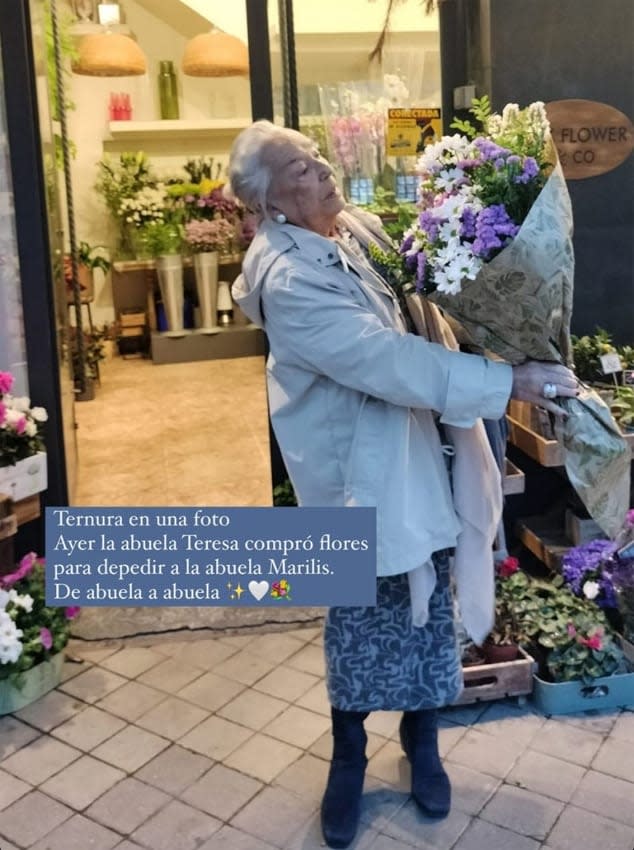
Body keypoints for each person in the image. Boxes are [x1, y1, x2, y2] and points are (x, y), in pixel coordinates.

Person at [227, 120, 578, 849]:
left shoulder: (349, 230)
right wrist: (508, 379)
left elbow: (425, 288)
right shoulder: (291, 280)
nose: (321, 170)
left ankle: (423, 744)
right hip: (360, 477)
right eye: (298, 170)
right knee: (358, 624)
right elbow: (386, 361)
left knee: (427, 617)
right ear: (270, 207)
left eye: (316, 156)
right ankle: (348, 757)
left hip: (414, 456)